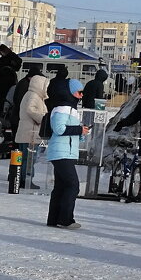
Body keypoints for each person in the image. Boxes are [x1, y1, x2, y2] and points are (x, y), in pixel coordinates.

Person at [45, 79, 89, 229]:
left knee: (61, 186)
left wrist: (81, 132)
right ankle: (66, 219)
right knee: (72, 185)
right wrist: (78, 130)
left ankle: (53, 219)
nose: (81, 96)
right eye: (79, 92)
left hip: (65, 151)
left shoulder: (71, 109)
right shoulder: (62, 108)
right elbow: (59, 129)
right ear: (70, 92)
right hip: (61, 152)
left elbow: (69, 131)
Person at [13, 65, 49, 192]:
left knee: (26, 158)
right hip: (31, 132)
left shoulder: (31, 94)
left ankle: (23, 178)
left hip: (27, 131)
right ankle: (26, 179)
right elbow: (30, 110)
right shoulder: (33, 95)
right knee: (30, 158)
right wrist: (42, 119)